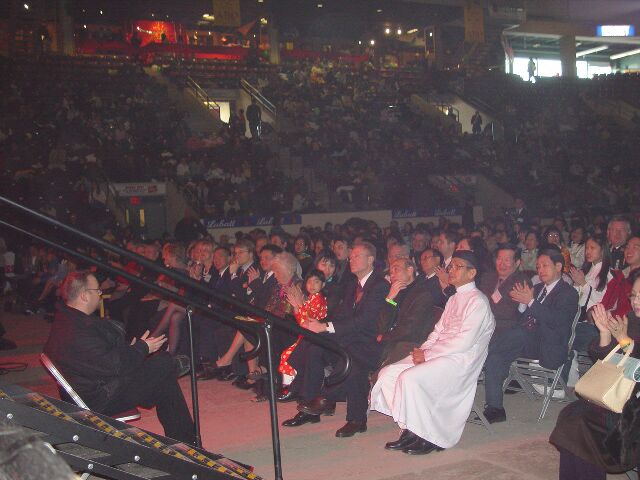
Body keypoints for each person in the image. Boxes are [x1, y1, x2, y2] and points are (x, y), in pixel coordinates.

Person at [44, 271, 195, 443]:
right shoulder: (78, 331)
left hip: (95, 386)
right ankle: (173, 367)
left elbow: (100, 359)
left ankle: (185, 442)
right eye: (97, 291)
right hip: (101, 398)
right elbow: (114, 366)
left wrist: (131, 350)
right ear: (85, 296)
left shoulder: (67, 320)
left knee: (163, 380)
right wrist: (143, 348)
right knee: (162, 364)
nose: (100, 295)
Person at [370, 250, 495, 454]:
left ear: (472, 273)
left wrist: (427, 355)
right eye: (451, 266)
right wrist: (423, 350)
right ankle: (412, 428)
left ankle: (430, 435)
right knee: (388, 374)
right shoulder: (454, 299)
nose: (451, 270)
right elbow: (437, 331)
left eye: (457, 266)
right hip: (438, 353)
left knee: (410, 378)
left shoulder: (478, 301)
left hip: (459, 360)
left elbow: (464, 342)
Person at [282, 242, 388, 437]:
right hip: (348, 337)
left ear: (371, 259)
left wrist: (326, 327)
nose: (351, 260)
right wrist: (320, 323)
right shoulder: (351, 285)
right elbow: (340, 315)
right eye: (350, 257)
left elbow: (365, 321)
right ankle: (310, 404)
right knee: (315, 345)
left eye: (356, 256)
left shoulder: (380, 285)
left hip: (369, 342)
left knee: (352, 361)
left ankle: (351, 416)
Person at [549, 280, 640, 480]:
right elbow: (606, 363)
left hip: (633, 409)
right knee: (571, 416)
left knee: (583, 424)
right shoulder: (630, 320)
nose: (636, 301)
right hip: (616, 396)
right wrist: (605, 334)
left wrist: (625, 343)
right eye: (634, 295)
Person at [482, 248, 579, 423]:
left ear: (558, 266)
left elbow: (556, 320)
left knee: (512, 336)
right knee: (496, 357)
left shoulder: (568, 293)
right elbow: (524, 317)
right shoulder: (538, 288)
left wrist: (530, 302)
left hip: (548, 344)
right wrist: (522, 305)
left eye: (545, 265)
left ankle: (479, 353)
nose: (540, 270)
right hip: (526, 341)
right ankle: (495, 408)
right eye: (538, 266)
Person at [376, 257, 436, 368]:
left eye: (396, 269)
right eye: (390, 272)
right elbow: (382, 325)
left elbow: (410, 330)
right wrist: (390, 299)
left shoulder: (422, 294)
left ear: (409, 270)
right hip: (392, 341)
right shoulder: (398, 291)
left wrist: (384, 337)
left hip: (408, 344)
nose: (392, 274)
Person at [479, 244, 531, 338]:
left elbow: (509, 313)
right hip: (482, 327)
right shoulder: (487, 277)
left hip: (503, 333)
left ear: (517, 262)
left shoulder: (522, 282)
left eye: (507, 260)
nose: (501, 264)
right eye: (499, 259)